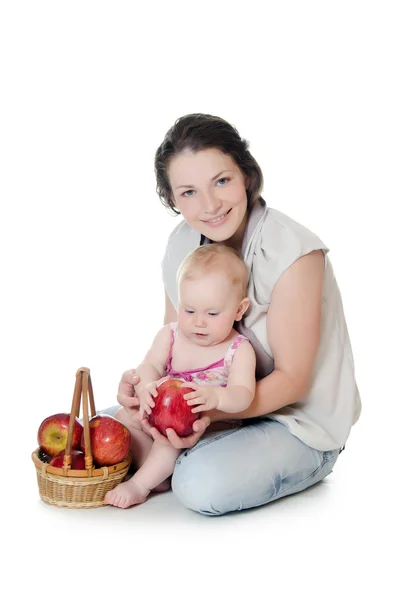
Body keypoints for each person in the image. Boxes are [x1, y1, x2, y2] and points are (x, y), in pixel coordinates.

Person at [105, 113, 361, 516]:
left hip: (296, 423)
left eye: (221, 181)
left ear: (246, 174)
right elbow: (178, 339)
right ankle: (173, 456)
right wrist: (145, 390)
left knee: (200, 485)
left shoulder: (293, 252)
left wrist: (205, 409)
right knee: (101, 428)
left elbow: (293, 381)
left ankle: (180, 464)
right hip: (216, 409)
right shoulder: (182, 245)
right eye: (188, 192)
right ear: (172, 198)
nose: (209, 206)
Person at [104, 243, 256, 508]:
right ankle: (156, 471)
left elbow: (244, 396)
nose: (199, 321)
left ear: (239, 310)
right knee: (123, 416)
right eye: (189, 310)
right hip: (163, 416)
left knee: (170, 442)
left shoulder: (238, 350)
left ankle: (140, 485)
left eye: (212, 313)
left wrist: (215, 397)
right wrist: (147, 385)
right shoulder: (170, 335)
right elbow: (149, 364)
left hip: (201, 428)